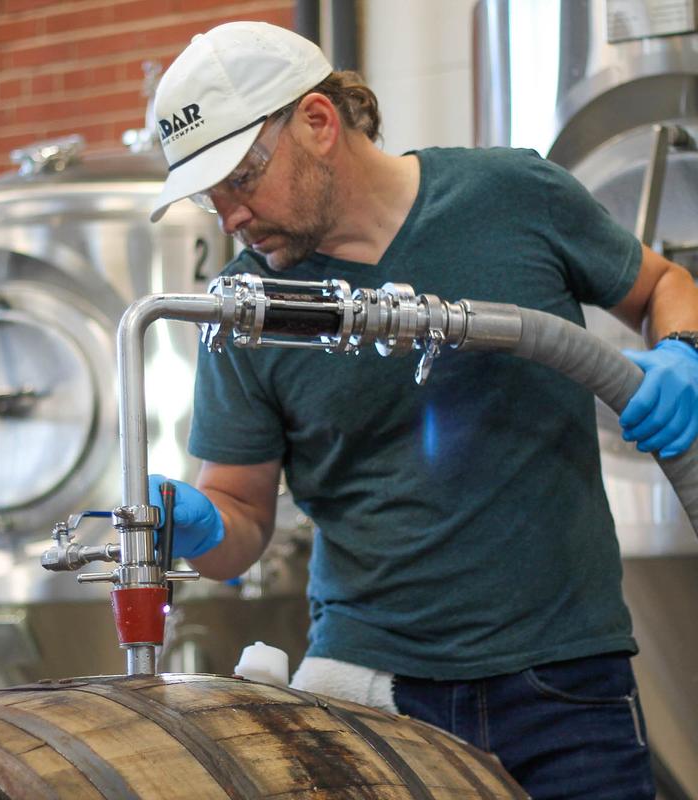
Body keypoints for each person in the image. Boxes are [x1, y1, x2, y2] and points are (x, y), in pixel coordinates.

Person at [147, 20, 698, 799]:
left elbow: (664, 285)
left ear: (317, 122)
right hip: (373, 693)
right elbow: (240, 514)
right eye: (211, 198)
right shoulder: (247, 308)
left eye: (241, 179)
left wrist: (684, 353)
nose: (229, 216)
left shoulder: (512, 194)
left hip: (566, 680)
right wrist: (201, 525)